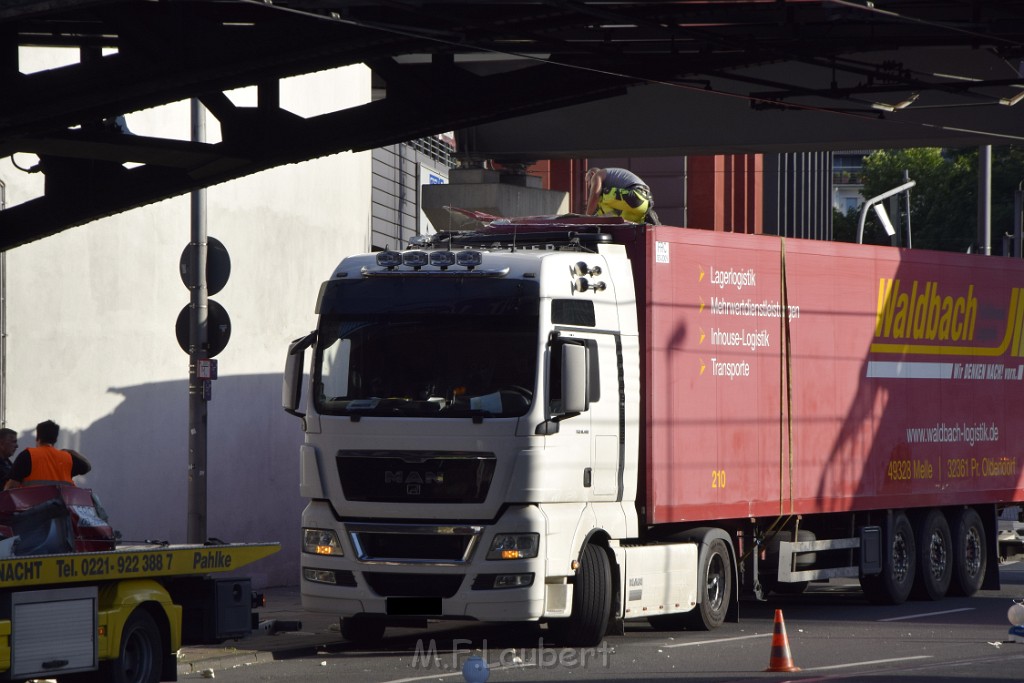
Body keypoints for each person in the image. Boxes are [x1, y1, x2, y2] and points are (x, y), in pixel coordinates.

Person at [4, 420, 91, 489]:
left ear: (38, 438)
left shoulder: (27, 455)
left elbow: (11, 486)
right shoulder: (68, 457)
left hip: (33, 509)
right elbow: (87, 466)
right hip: (62, 509)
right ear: (56, 439)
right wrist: (70, 451)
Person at [584, 167, 660, 224]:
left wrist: (586, 218)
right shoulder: (613, 178)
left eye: (587, 181)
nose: (588, 186)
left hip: (635, 195)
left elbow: (595, 195)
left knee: (600, 197)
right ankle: (645, 221)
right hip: (643, 205)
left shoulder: (597, 175)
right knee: (622, 220)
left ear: (592, 174)